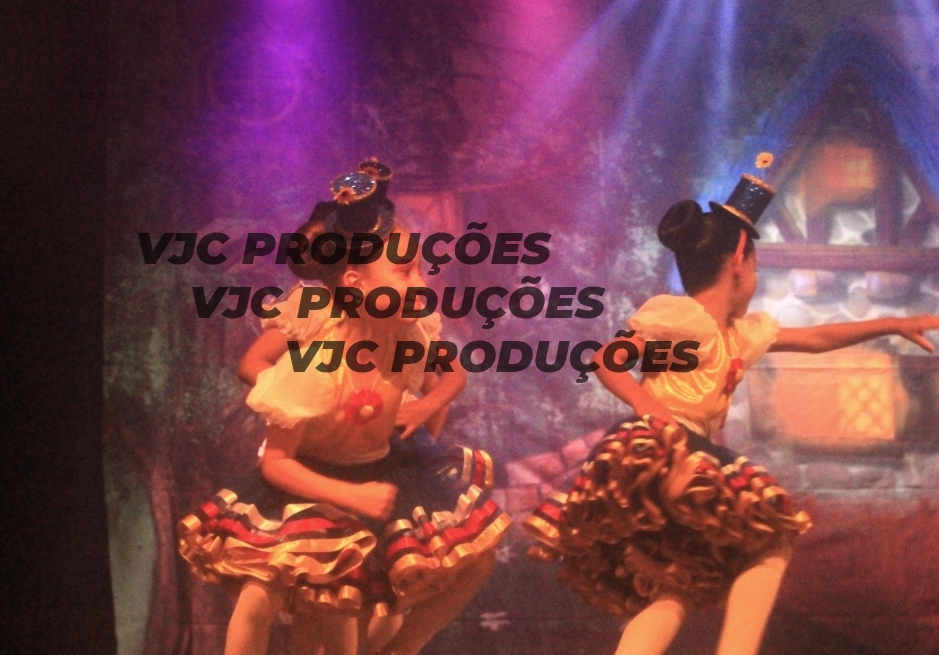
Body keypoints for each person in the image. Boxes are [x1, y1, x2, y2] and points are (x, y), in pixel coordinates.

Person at [524, 173, 939, 655]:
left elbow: (817, 338)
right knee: (772, 534)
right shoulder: (684, 319)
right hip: (665, 445)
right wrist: (650, 408)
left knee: (674, 587)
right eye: (757, 268)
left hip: (687, 449)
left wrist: (893, 322)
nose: (756, 281)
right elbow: (607, 360)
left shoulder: (738, 334)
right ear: (739, 262)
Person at [179, 164, 510, 655]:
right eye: (405, 272)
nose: (421, 284)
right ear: (354, 280)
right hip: (314, 477)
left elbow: (449, 376)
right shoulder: (315, 352)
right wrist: (288, 403)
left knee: (446, 565)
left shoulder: (410, 332)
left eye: (418, 270)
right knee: (272, 594)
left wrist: (423, 410)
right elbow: (272, 432)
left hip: (378, 467)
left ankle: (400, 648)